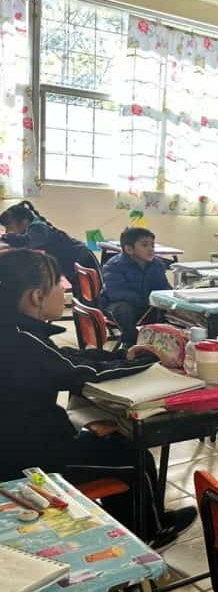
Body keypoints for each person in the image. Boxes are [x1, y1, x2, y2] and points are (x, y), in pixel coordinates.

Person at [0, 249, 195, 547]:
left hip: (21, 443)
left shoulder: (16, 332)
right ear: (36, 296)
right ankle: (149, 534)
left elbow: (65, 358)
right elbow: (84, 374)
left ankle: (140, 524)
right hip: (27, 463)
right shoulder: (21, 341)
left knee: (113, 441)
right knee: (134, 456)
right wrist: (146, 362)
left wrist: (121, 356)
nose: (65, 290)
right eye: (59, 284)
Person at [0, 200, 100, 297]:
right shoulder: (33, 228)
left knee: (92, 295)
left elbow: (28, 242)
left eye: (9, 227)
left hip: (83, 258)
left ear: (24, 222)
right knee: (82, 295)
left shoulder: (38, 227)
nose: (8, 231)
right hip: (72, 263)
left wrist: (5, 238)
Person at [99, 227, 170, 346]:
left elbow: (164, 287)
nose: (150, 249)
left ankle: (159, 341)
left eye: (152, 245)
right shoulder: (114, 266)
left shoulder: (156, 264)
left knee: (167, 309)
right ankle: (130, 342)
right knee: (123, 309)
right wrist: (147, 299)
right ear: (129, 249)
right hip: (116, 305)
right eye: (145, 245)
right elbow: (116, 294)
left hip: (147, 305)